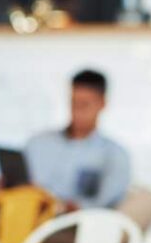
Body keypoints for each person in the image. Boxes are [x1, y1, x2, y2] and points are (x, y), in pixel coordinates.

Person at [24, 69, 131, 210]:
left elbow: (102, 206)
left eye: (84, 105)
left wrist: (66, 208)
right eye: (73, 103)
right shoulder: (37, 143)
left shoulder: (115, 155)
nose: (77, 112)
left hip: (76, 227)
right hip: (27, 219)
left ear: (102, 104)